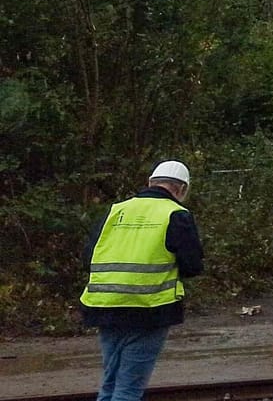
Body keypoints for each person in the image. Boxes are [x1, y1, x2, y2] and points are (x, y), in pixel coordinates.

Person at [81, 160, 203, 401]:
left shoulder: (115, 210)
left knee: (110, 382)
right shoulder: (176, 214)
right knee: (128, 389)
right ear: (182, 190)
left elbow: (88, 257)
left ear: (150, 182)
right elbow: (192, 266)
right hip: (149, 310)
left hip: (104, 305)